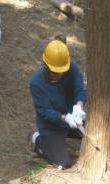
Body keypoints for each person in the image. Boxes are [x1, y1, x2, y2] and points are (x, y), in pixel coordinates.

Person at [29, 40, 86, 170]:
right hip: (51, 127)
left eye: (62, 71)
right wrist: (64, 118)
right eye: (55, 71)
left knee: (94, 132)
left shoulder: (72, 68)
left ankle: (68, 131)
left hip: (73, 119)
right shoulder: (36, 83)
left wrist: (79, 107)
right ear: (46, 65)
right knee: (64, 163)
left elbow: (80, 90)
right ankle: (38, 140)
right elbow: (44, 111)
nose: (59, 74)